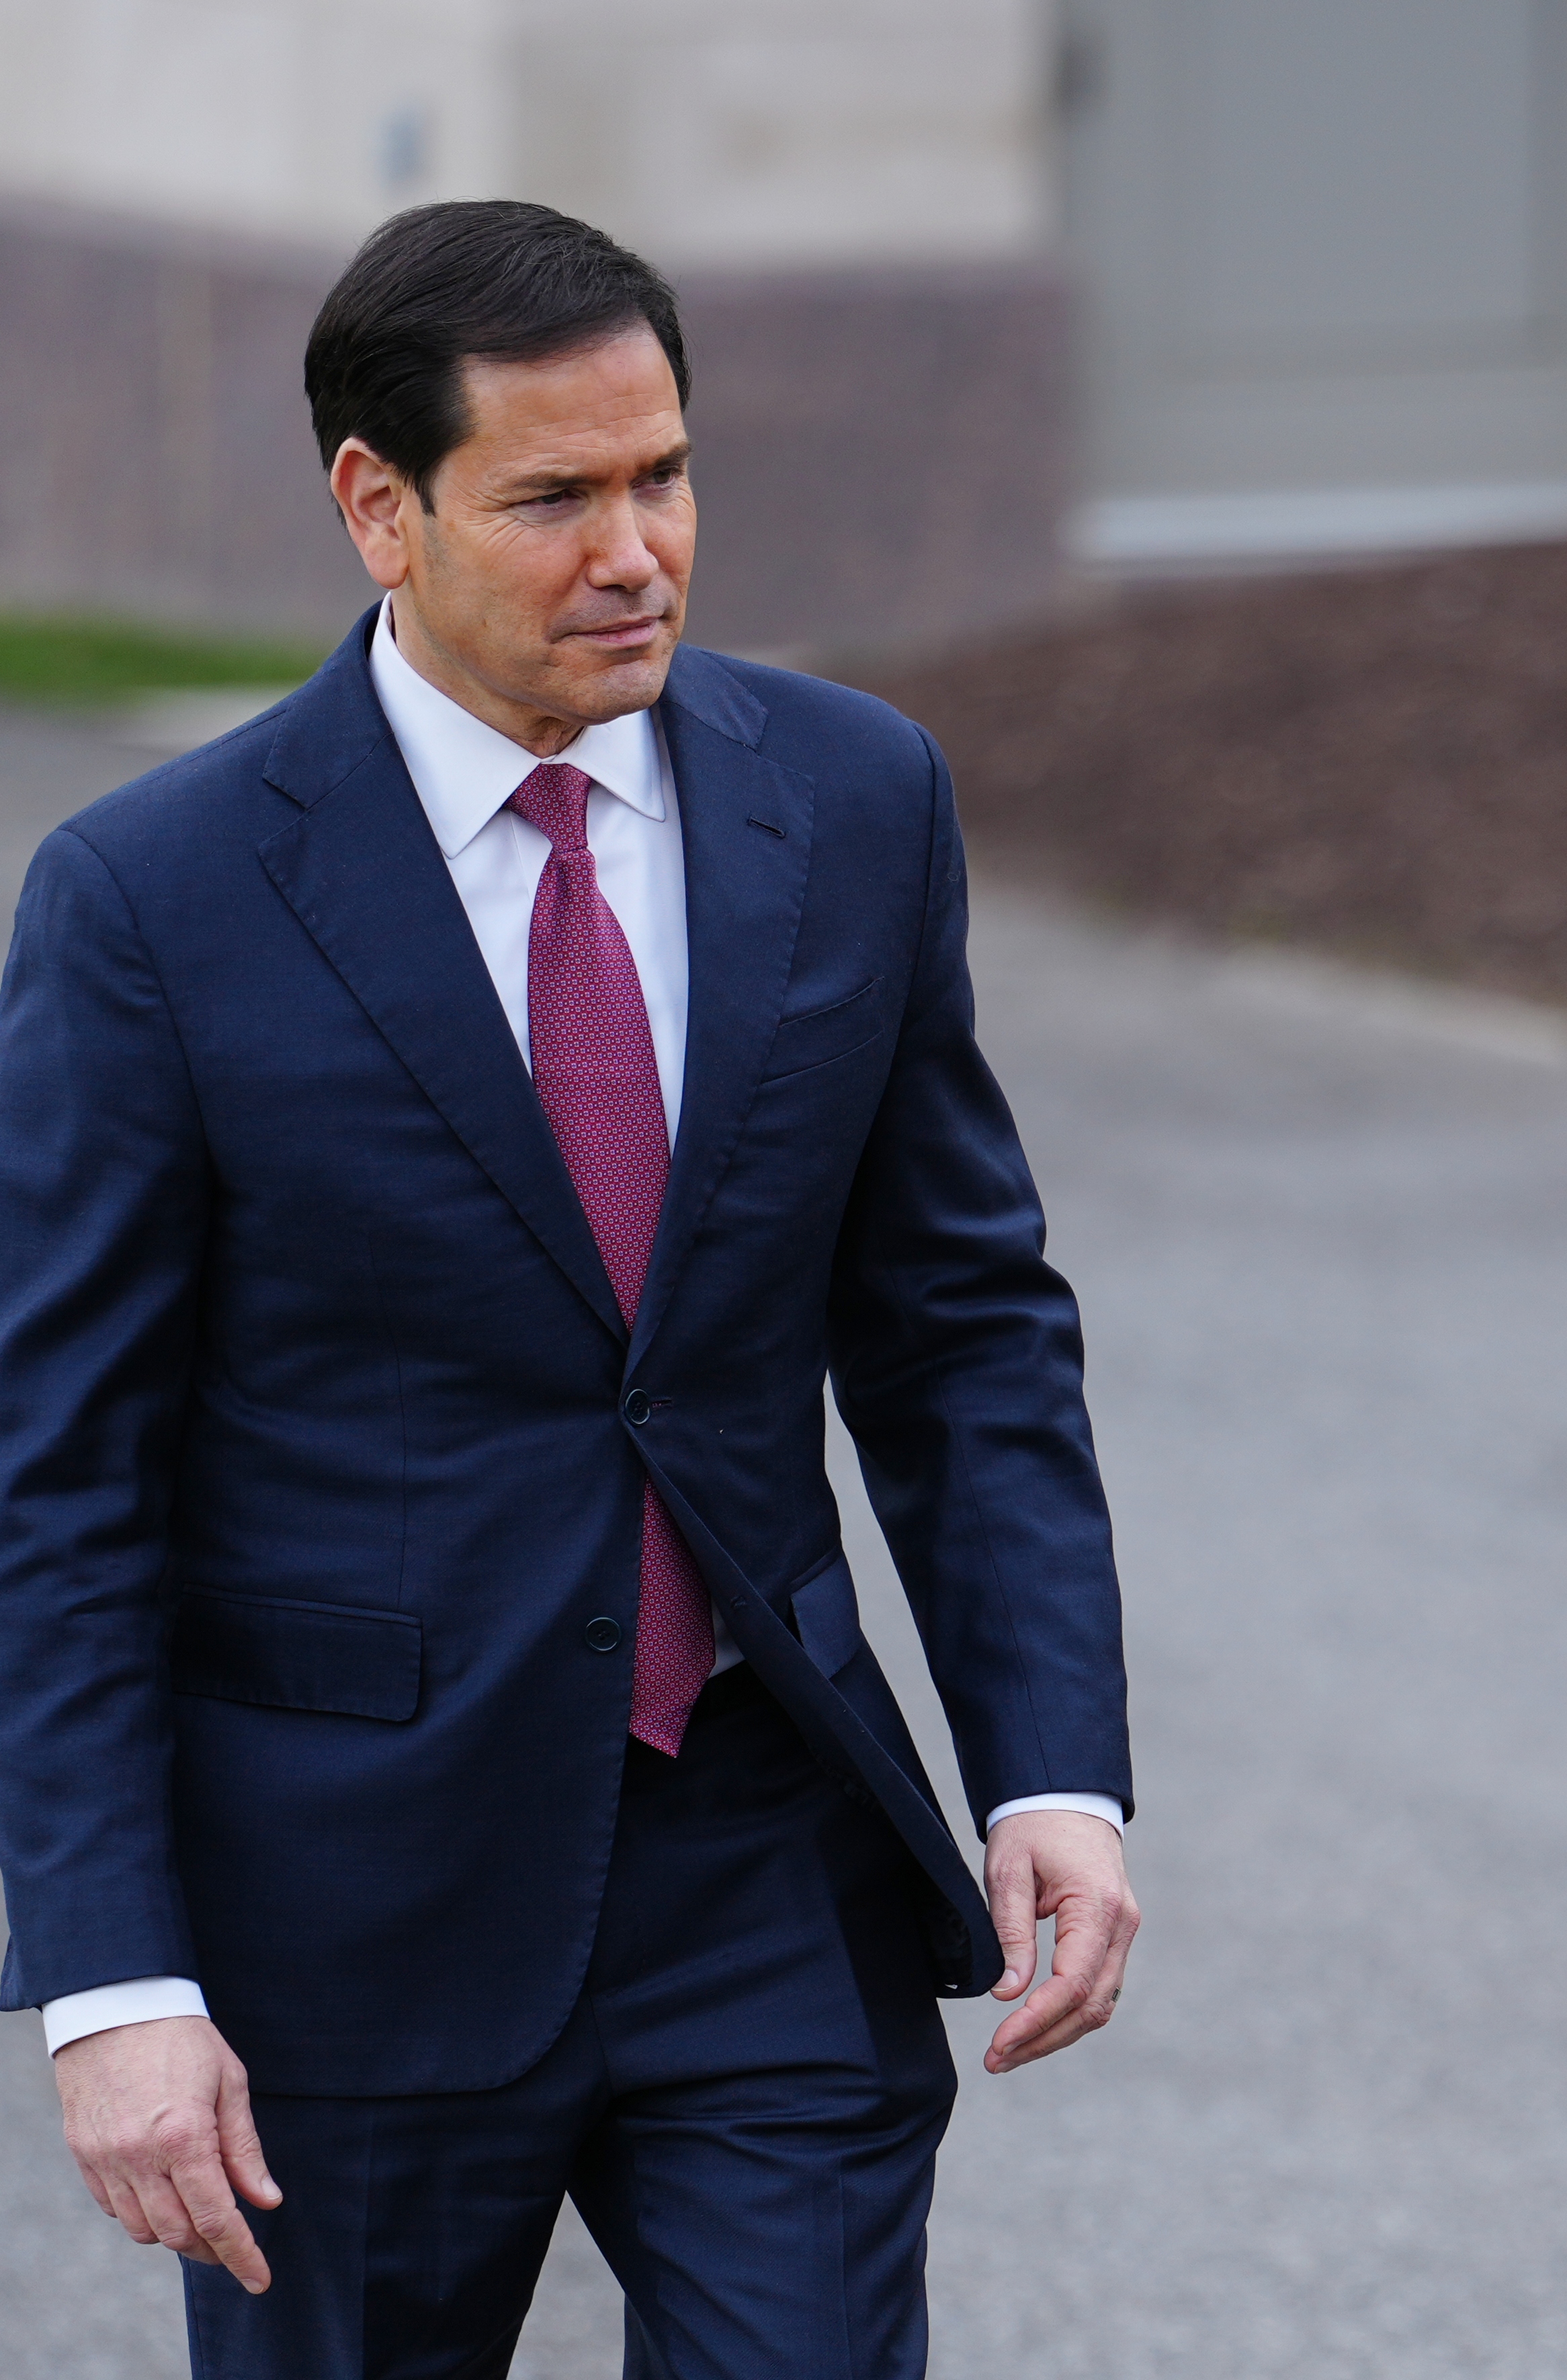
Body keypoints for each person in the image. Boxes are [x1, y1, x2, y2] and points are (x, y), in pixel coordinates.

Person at [0, 200, 1138, 2376]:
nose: (637, 551)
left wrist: (1052, 1773)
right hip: (349, 1919)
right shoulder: (152, 903)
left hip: (760, 1850)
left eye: (665, 476)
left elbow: (960, 1331)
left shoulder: (855, 802)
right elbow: (59, 1476)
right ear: (378, 507)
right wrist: (119, 1986)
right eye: (552, 497)